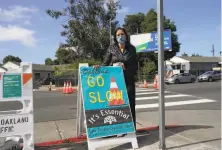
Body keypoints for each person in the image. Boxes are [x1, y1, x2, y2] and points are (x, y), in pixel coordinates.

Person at [94, 27, 138, 132]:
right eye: (118, 35)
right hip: (114, 83)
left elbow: (135, 66)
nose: (120, 36)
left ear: (126, 35)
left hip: (128, 82)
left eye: (122, 34)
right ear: (115, 37)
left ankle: (131, 130)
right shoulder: (111, 48)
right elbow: (105, 63)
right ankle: (117, 130)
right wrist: (99, 67)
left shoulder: (132, 49)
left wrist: (125, 67)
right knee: (116, 107)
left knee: (129, 106)